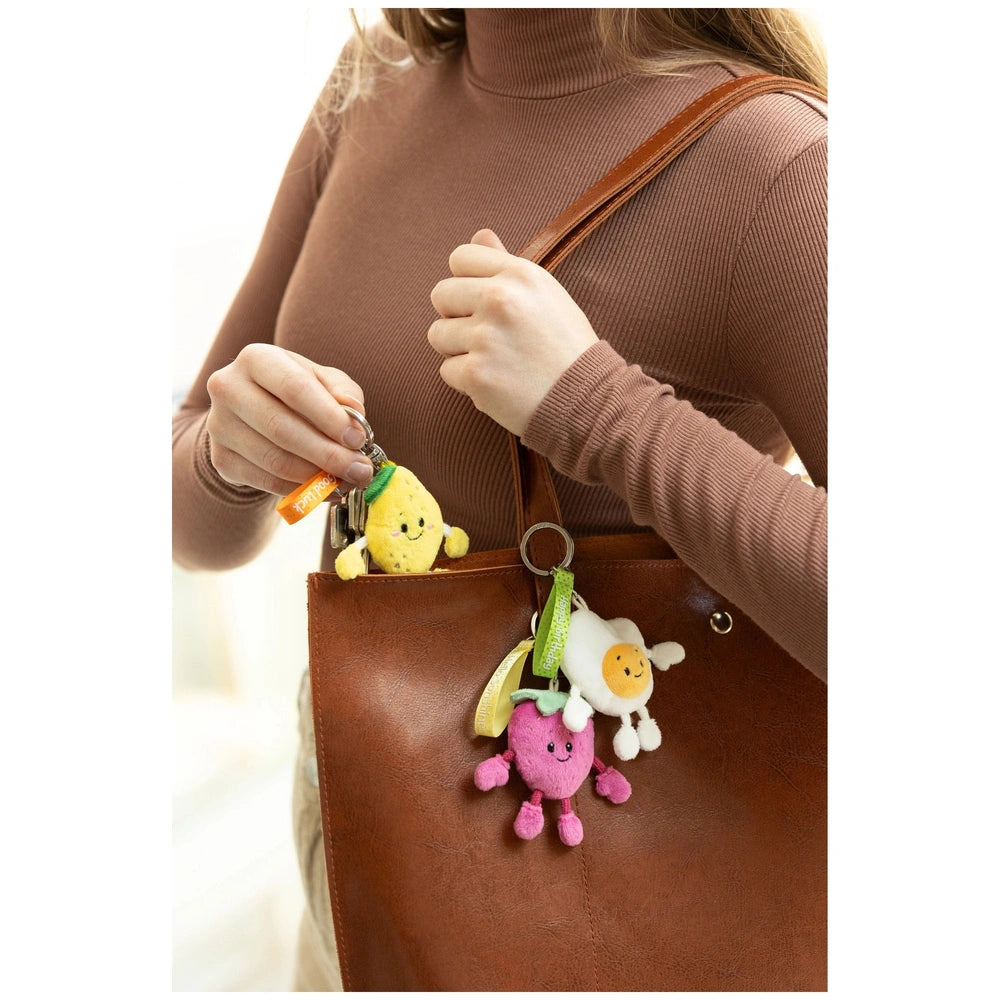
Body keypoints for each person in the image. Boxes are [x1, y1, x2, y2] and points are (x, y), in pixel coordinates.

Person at [172, 8, 827, 990]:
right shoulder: (371, 85)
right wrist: (229, 455)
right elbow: (195, 526)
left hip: (635, 918)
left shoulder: (777, 165)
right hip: (357, 884)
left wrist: (599, 409)